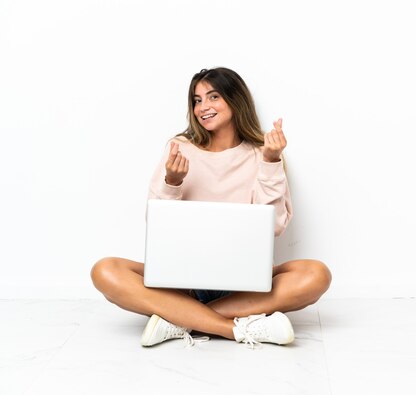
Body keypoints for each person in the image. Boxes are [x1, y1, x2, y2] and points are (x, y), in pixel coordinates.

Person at [90, 67, 332, 348]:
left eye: (213, 97)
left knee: (317, 274)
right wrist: (173, 181)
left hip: (246, 283)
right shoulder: (179, 148)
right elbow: (158, 224)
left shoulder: (261, 153)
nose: (202, 107)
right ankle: (235, 328)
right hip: (183, 282)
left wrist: (270, 161)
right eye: (197, 100)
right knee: (105, 270)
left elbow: (275, 225)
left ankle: (178, 319)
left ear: (235, 99)